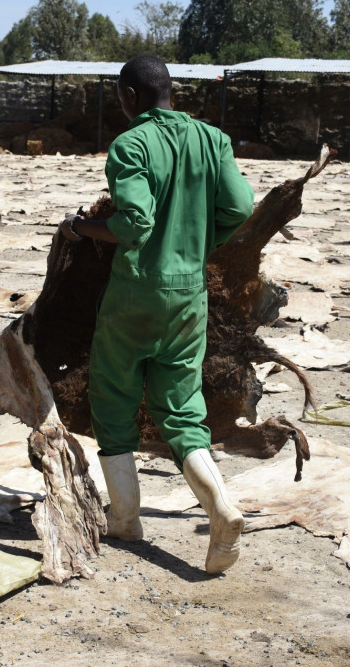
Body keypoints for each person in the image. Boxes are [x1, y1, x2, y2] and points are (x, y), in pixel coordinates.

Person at [59, 55, 254, 575]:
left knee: (113, 395)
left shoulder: (131, 145)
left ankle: (125, 519)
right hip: (190, 295)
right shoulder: (212, 140)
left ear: (129, 96)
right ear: (171, 91)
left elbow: (134, 224)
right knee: (181, 408)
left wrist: (80, 229)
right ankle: (220, 507)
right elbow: (240, 207)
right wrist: (198, 244)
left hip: (136, 295)